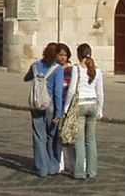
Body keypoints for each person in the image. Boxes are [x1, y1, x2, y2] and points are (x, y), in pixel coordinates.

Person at [24, 42, 63, 177]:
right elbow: (58, 92)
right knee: (52, 136)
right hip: (50, 105)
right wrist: (59, 112)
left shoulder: (35, 66)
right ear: (56, 55)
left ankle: (42, 168)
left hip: (36, 104)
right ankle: (53, 166)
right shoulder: (58, 69)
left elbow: (26, 78)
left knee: (39, 136)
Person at [67, 43, 104, 180]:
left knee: (79, 140)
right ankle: (92, 170)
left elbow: (71, 90)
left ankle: (79, 172)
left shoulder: (76, 69)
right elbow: (100, 93)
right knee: (91, 140)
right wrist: (100, 109)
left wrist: (66, 108)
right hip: (93, 104)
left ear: (78, 54)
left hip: (81, 105)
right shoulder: (97, 70)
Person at [55, 42, 73, 172]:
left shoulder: (72, 69)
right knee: (57, 137)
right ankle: (59, 163)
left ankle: (72, 163)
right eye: (60, 55)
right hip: (57, 104)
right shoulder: (54, 68)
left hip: (68, 104)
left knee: (69, 137)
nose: (63, 58)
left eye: (65, 55)